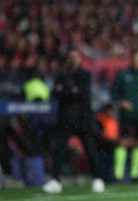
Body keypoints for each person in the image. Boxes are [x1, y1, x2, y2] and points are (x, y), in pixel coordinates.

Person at [43, 48, 105, 193]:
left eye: (75, 57)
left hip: (82, 118)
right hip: (65, 119)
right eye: (70, 57)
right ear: (67, 59)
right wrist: (69, 92)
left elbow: (81, 94)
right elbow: (55, 93)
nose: (73, 59)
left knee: (90, 150)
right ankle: (55, 181)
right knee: (59, 150)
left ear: (80, 59)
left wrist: (65, 91)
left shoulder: (85, 75)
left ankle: (97, 179)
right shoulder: (62, 75)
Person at [111, 49, 138, 182]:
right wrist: (121, 102)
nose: (136, 61)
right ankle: (118, 176)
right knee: (122, 142)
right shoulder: (123, 75)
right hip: (126, 116)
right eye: (134, 59)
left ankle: (134, 176)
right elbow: (114, 93)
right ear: (130, 60)